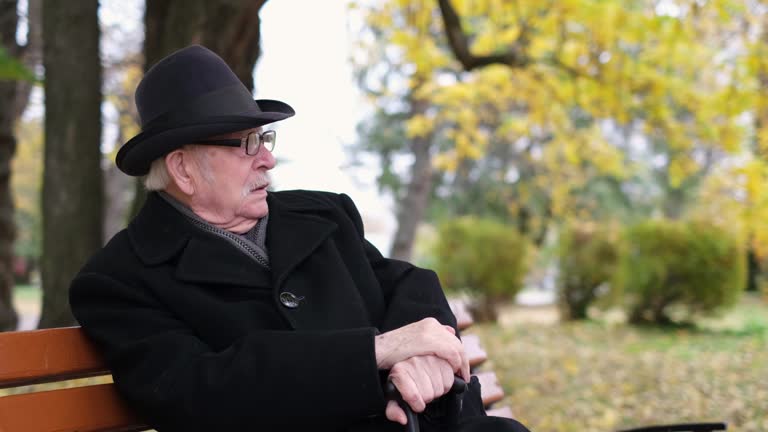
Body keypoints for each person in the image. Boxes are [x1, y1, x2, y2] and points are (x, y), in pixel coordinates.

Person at [69, 45, 531, 432]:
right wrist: (379, 352)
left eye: (265, 139)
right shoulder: (119, 281)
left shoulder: (321, 215)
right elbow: (201, 392)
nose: (267, 160)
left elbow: (408, 283)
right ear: (183, 168)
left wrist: (417, 362)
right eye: (247, 143)